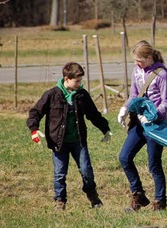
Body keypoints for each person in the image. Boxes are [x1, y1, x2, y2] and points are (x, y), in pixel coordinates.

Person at [27, 62, 112, 211]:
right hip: (58, 143)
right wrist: (34, 129)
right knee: (60, 173)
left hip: (78, 141)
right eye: (77, 81)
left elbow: (93, 115)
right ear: (66, 79)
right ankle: (60, 200)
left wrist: (105, 129)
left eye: (81, 81)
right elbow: (35, 112)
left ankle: (92, 196)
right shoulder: (51, 94)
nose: (80, 84)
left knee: (86, 170)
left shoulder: (82, 95)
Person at [117, 40, 167, 211]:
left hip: (155, 125)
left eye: (139, 60)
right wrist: (125, 108)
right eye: (135, 60)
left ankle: (160, 202)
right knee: (124, 157)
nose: (137, 63)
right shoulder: (136, 72)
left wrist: (153, 115)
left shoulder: (161, 74)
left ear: (149, 57)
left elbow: (166, 102)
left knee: (154, 164)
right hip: (138, 123)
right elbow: (134, 94)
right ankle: (138, 194)